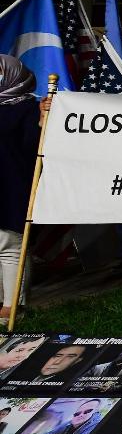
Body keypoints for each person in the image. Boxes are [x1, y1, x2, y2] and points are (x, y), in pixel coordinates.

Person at [0, 55, 39, 320]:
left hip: (10, 184)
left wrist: (47, 118)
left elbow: (31, 147)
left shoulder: (29, 108)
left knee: (9, 244)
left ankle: (13, 305)